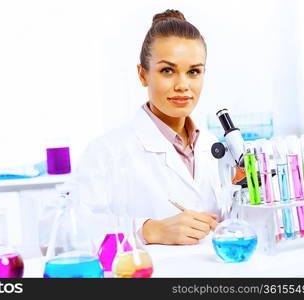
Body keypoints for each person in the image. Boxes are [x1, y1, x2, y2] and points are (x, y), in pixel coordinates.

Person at [71, 9, 222, 245]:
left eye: (193, 71)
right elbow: (60, 230)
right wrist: (148, 231)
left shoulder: (213, 146)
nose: (182, 85)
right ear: (143, 75)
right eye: (167, 71)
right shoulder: (107, 152)